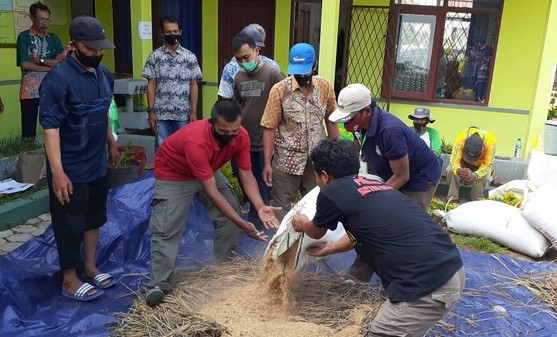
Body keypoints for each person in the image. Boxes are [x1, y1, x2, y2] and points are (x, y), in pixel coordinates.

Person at [291, 139, 465, 337]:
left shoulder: (331, 192)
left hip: (426, 285)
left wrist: (301, 221)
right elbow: (364, 232)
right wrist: (332, 248)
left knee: (379, 333)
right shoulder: (373, 185)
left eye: (315, 175)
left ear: (324, 175)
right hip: (453, 269)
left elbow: (315, 232)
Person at [144, 99, 281, 307]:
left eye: (234, 131)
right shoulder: (197, 141)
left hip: (208, 169)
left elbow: (246, 173)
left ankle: (223, 268)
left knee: (230, 215)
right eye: (223, 132)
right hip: (174, 173)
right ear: (211, 124)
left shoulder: (241, 135)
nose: (230, 136)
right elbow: (213, 193)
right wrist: (242, 223)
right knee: (167, 227)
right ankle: (159, 283)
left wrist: (260, 206)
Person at [39, 16, 118, 302]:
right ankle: (69, 280)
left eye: (101, 49)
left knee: (94, 219)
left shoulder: (103, 74)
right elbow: (50, 129)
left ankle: (90, 266)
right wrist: (58, 172)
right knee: (69, 223)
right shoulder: (58, 80)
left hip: (96, 163)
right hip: (70, 167)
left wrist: (110, 143)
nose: (97, 53)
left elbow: (103, 111)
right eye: (91, 48)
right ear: (74, 45)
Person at [329, 84, 441, 211]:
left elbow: (402, 176)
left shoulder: (390, 131)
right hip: (393, 172)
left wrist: (376, 198)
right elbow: (358, 149)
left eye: (349, 118)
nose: (345, 123)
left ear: (367, 111)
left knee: (410, 218)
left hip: (419, 178)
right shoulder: (359, 126)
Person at [260, 42, 339, 220]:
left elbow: (331, 120)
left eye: (306, 70)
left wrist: (336, 156)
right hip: (286, 161)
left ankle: (312, 244)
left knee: (317, 205)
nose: (301, 74)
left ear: (315, 65)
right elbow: (269, 127)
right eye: (297, 69)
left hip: (317, 161)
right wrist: (267, 162)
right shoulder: (279, 90)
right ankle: (281, 246)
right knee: (280, 208)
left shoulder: (325, 87)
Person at [231, 31, 285, 228]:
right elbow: (237, 106)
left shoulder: (273, 74)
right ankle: (256, 216)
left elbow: (285, 105)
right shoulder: (238, 77)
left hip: (267, 142)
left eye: (246, 57)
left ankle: (267, 221)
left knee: (267, 181)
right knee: (247, 179)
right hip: (245, 140)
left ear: (256, 50)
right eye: (239, 59)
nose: (244, 62)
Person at [142, 16, 202, 151]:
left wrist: (194, 111)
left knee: (182, 148)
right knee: (162, 150)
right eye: (168, 32)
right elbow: (151, 84)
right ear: (162, 33)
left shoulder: (189, 57)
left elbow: (193, 84)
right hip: (160, 113)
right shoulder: (154, 57)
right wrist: (151, 111)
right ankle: (161, 173)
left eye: (175, 31)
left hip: (183, 113)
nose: (172, 34)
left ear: (180, 32)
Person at [17, 2, 63, 139]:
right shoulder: (24, 37)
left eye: (47, 19)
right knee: (28, 130)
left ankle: (53, 154)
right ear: (32, 17)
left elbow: (61, 62)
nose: (45, 23)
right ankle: (28, 156)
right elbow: (25, 64)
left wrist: (39, 60)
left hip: (50, 88)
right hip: (29, 91)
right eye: (41, 19)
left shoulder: (54, 39)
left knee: (52, 125)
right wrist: (49, 67)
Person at [218, 23, 280, 100]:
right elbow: (225, 100)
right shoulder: (230, 69)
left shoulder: (272, 66)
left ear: (257, 49)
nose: (243, 62)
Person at [447, 126, 496, 202]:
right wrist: (458, 170)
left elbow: (487, 165)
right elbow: (453, 161)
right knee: (450, 169)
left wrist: (475, 175)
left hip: (479, 166)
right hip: (463, 163)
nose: (471, 160)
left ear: (483, 148)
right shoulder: (461, 138)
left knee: (486, 176)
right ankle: (452, 198)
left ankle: (476, 199)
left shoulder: (490, 142)